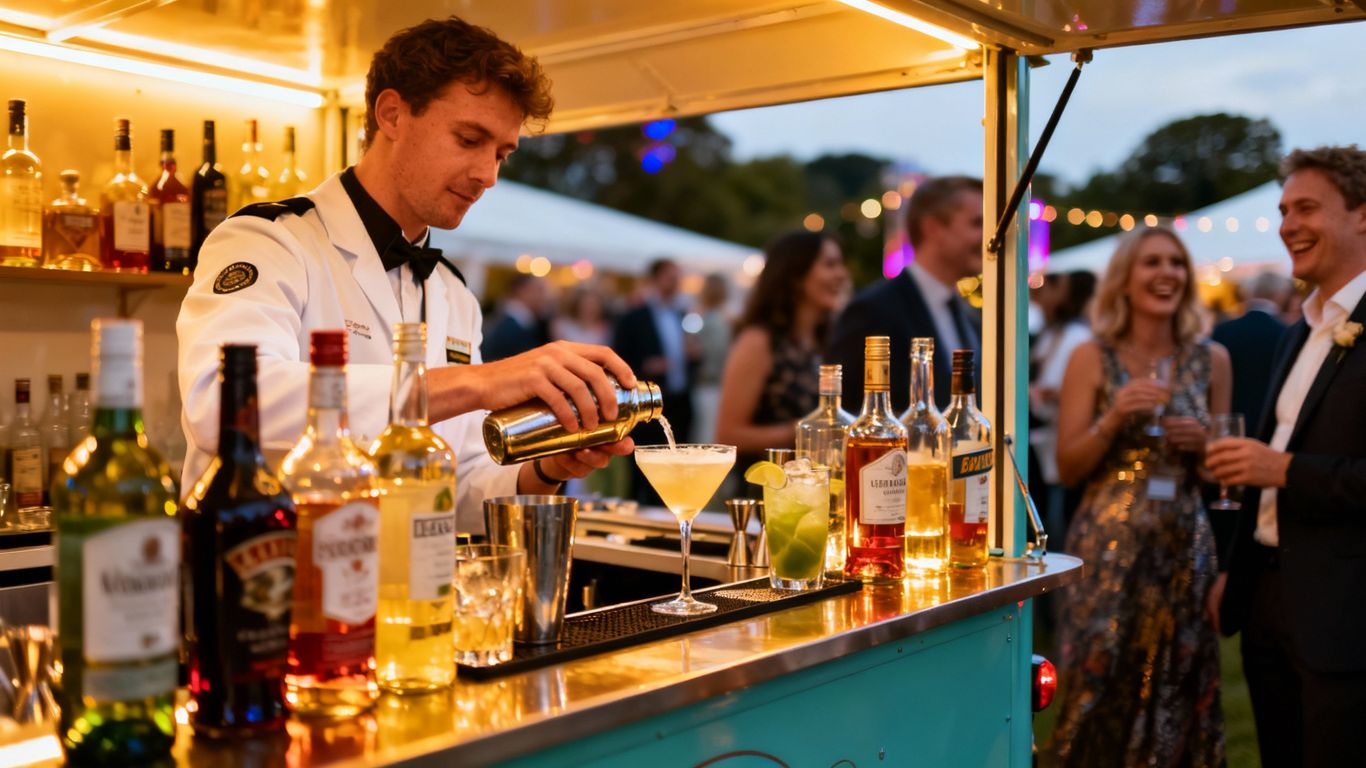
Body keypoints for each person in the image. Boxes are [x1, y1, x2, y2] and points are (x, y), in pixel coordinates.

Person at [177, 17, 636, 533]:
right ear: (392, 114)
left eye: (501, 154)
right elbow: (222, 405)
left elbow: (455, 484)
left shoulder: (454, 294)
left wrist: (544, 469)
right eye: (469, 139)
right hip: (266, 582)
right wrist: (477, 383)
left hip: (402, 595)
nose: (488, 175)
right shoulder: (271, 241)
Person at [1207, 145, 1366, 768]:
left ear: (1362, 215)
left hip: (1347, 611)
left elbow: (1285, 466)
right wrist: (1234, 568)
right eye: (1282, 209)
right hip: (1269, 598)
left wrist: (1288, 471)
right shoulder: (1300, 327)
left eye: (1306, 208)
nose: (1287, 224)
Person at [1050, 225, 1231, 767]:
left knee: (1180, 677)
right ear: (1125, 280)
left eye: (1176, 264)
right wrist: (1114, 417)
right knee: (1099, 677)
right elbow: (1066, 466)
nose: (1167, 274)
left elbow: (1226, 474)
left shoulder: (1212, 358)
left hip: (1184, 547)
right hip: (1109, 550)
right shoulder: (1092, 356)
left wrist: (1205, 444)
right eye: (1152, 263)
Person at [826, 176, 982, 413]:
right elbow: (848, 414)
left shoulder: (964, 313)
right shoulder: (874, 311)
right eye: (977, 223)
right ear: (933, 228)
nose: (990, 236)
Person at [716, 231, 848, 460]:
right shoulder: (758, 341)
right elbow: (728, 434)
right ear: (796, 275)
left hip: (813, 484)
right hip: (769, 484)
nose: (842, 274)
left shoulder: (821, 341)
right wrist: (806, 430)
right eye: (830, 264)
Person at [612, 258, 697, 502]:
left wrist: (693, 357)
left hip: (679, 398)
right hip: (646, 402)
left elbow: (690, 355)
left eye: (678, 277)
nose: (676, 283)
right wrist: (645, 366)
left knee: (676, 465)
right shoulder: (633, 317)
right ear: (655, 279)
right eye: (671, 277)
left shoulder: (683, 314)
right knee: (645, 470)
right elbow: (619, 357)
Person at [1211, 270, 1292, 422]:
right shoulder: (1287, 333)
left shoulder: (1222, 330)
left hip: (1229, 421)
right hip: (1270, 423)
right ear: (1280, 294)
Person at [690, 273, 732, 445]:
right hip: (718, 385)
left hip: (710, 384)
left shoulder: (709, 320)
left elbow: (696, 351)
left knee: (707, 438)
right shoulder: (725, 319)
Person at [482, 273, 550, 361]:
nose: (544, 296)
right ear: (522, 290)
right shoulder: (507, 326)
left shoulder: (524, 322)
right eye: (539, 290)